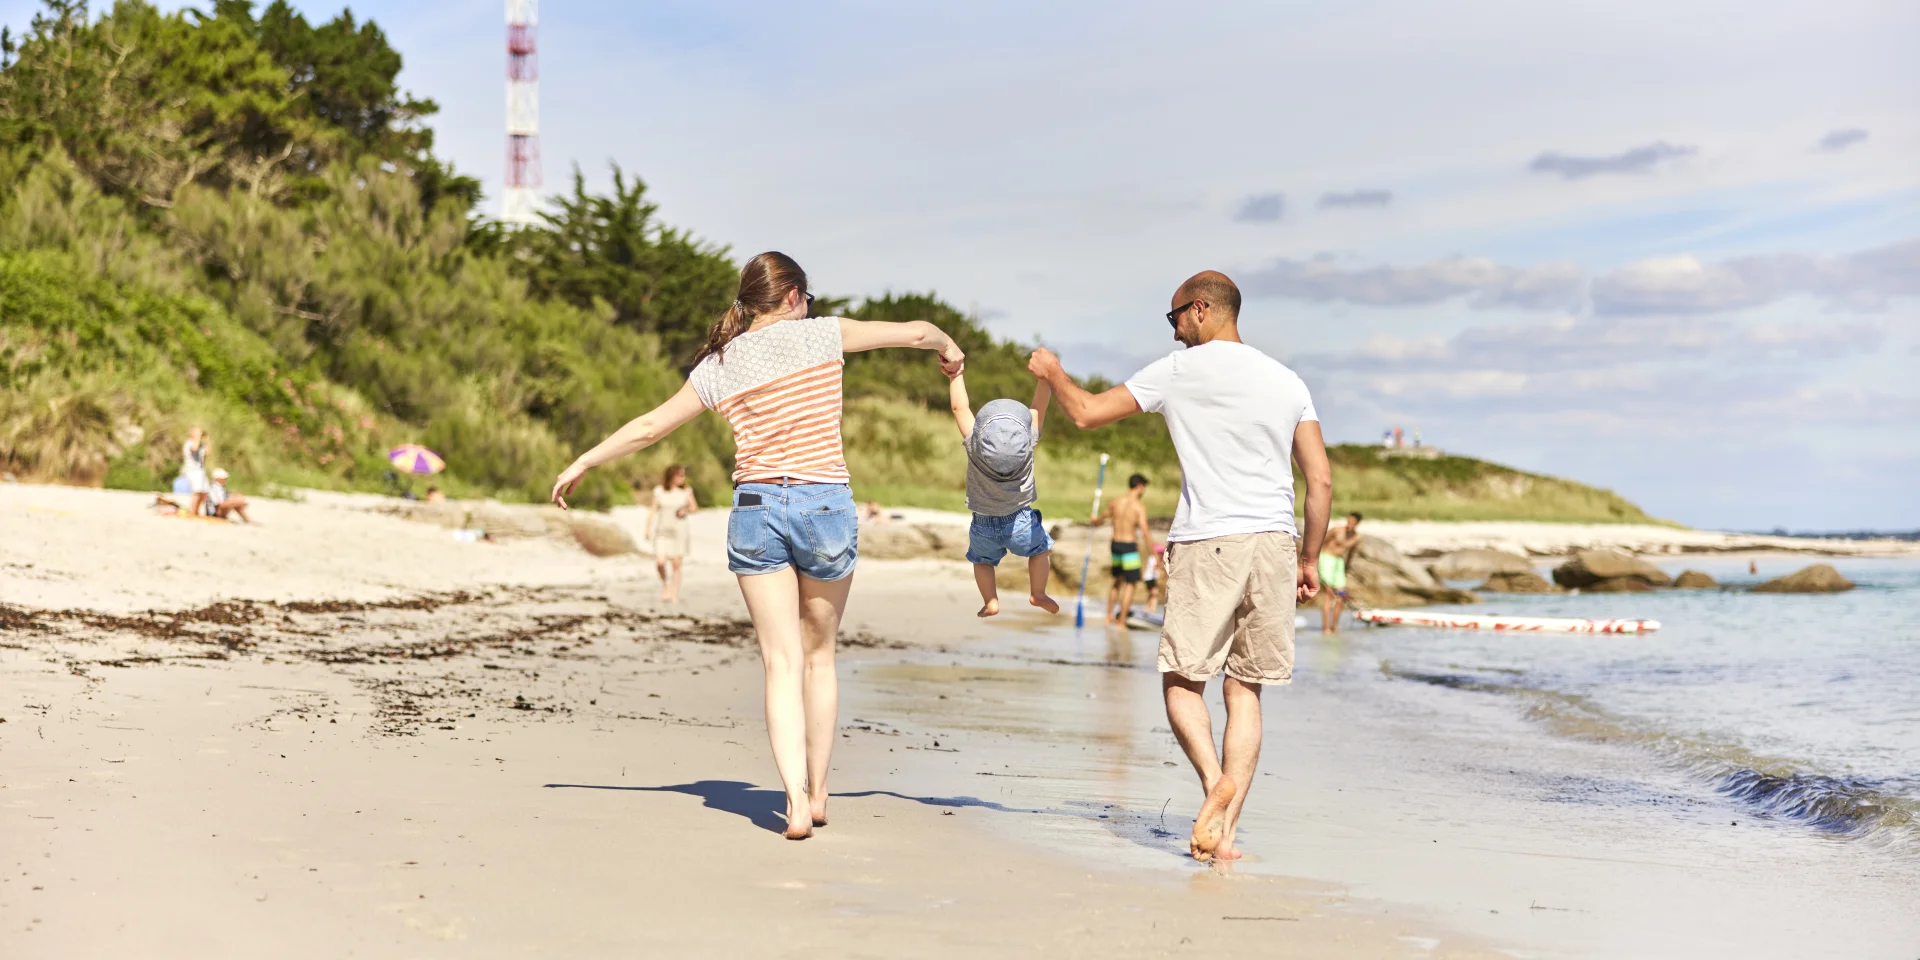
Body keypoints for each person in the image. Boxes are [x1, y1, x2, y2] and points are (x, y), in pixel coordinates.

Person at [553, 251, 965, 841]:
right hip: (824, 505)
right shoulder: (825, 336)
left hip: (755, 508)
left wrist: (584, 460)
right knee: (820, 657)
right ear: (794, 295)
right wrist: (949, 349)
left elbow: (650, 427)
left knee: (780, 663)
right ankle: (820, 794)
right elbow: (920, 332)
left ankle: (793, 802)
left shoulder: (719, 364)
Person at [1028, 269, 1332, 863]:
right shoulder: (1288, 380)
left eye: (1174, 319)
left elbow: (1087, 413)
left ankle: (1214, 779)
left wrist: (1052, 373)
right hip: (1274, 540)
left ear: (1199, 310)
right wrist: (1311, 557)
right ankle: (1226, 835)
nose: (1173, 334)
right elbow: (1318, 479)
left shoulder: (1178, 372)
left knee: (1182, 682)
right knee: (1246, 691)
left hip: (1209, 541)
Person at [947, 369, 1059, 618]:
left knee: (983, 561)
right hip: (1020, 522)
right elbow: (1038, 408)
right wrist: (1045, 379)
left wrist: (955, 374)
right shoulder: (1027, 443)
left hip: (983, 523)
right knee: (1040, 550)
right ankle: (1038, 593)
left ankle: (991, 601)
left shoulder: (975, 446)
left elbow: (959, 408)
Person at [1093, 475, 1154, 626]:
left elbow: (1101, 519)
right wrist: (1153, 554)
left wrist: (1094, 520)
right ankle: (1121, 622)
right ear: (1139, 486)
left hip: (1115, 545)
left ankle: (1108, 617)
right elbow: (1145, 531)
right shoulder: (1138, 507)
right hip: (1129, 547)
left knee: (1116, 581)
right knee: (1130, 584)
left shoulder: (1116, 502)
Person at [647, 465, 699, 603]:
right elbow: (653, 510)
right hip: (662, 531)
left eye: (683, 475)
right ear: (671, 476)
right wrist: (648, 529)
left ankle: (674, 594)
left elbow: (694, 507)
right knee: (660, 563)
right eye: (680, 475)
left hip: (679, 530)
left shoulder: (686, 491)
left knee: (676, 564)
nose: (683, 478)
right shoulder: (659, 491)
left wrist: (686, 510)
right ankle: (665, 586)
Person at [1319, 513, 1362, 633]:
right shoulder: (1336, 530)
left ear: (1357, 523)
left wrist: (1346, 568)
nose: (1350, 524)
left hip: (1339, 562)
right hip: (1326, 558)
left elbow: (1351, 554)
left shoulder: (1356, 537)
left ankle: (1334, 627)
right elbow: (1321, 542)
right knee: (1329, 594)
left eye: (1353, 522)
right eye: (1349, 521)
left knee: (1341, 596)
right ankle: (1325, 628)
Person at [180, 427, 210, 517]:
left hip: (200, 470)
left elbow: (208, 452)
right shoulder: (189, 443)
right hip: (193, 470)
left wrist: (207, 440)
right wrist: (197, 436)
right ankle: (192, 512)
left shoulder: (200, 444)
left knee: (204, 492)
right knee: (197, 491)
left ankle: (196, 511)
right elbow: (194, 449)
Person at [1142, 542, 1167, 617]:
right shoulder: (1153, 558)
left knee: (1151, 595)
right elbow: (1154, 568)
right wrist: (1161, 567)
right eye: (1160, 553)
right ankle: (1152, 610)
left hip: (1152, 579)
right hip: (1149, 579)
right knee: (1155, 594)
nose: (1161, 554)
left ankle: (1147, 609)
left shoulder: (1156, 559)